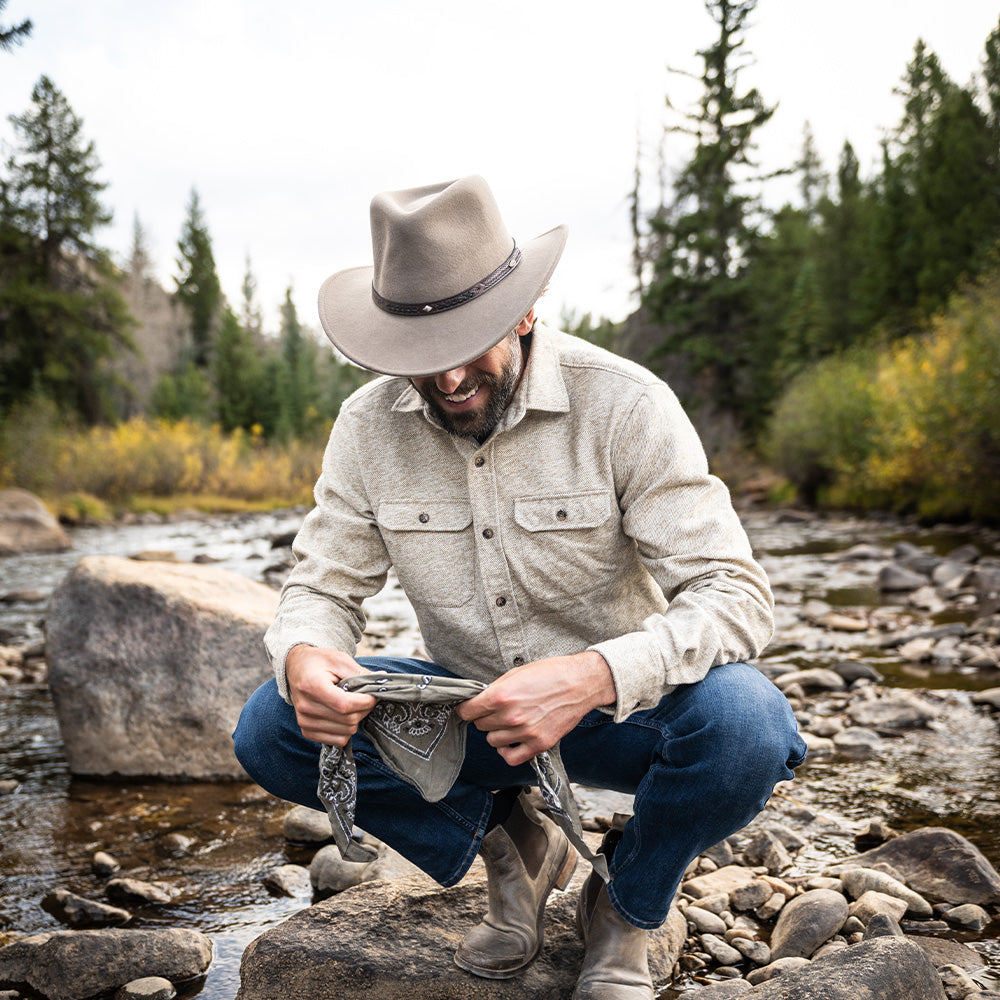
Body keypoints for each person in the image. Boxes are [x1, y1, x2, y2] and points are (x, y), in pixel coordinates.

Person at [234, 174, 807, 999]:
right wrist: (307, 655)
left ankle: (627, 902)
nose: (447, 379)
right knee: (272, 728)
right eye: (420, 358)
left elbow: (735, 594)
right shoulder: (366, 426)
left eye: (468, 344)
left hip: (623, 715)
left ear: (525, 311)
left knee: (750, 725)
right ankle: (515, 840)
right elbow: (321, 585)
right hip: (474, 720)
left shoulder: (627, 406)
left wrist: (592, 675)